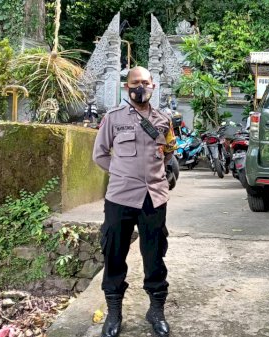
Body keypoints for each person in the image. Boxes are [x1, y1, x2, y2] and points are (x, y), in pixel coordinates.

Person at [92, 66, 176, 337]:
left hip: (154, 197)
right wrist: (121, 174)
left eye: (146, 82)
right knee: (114, 254)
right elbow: (100, 154)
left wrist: (156, 175)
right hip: (120, 197)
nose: (141, 87)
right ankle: (114, 312)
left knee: (154, 255)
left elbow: (168, 152)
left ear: (153, 86)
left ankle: (156, 311)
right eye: (135, 83)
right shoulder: (113, 118)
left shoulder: (164, 119)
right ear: (126, 87)